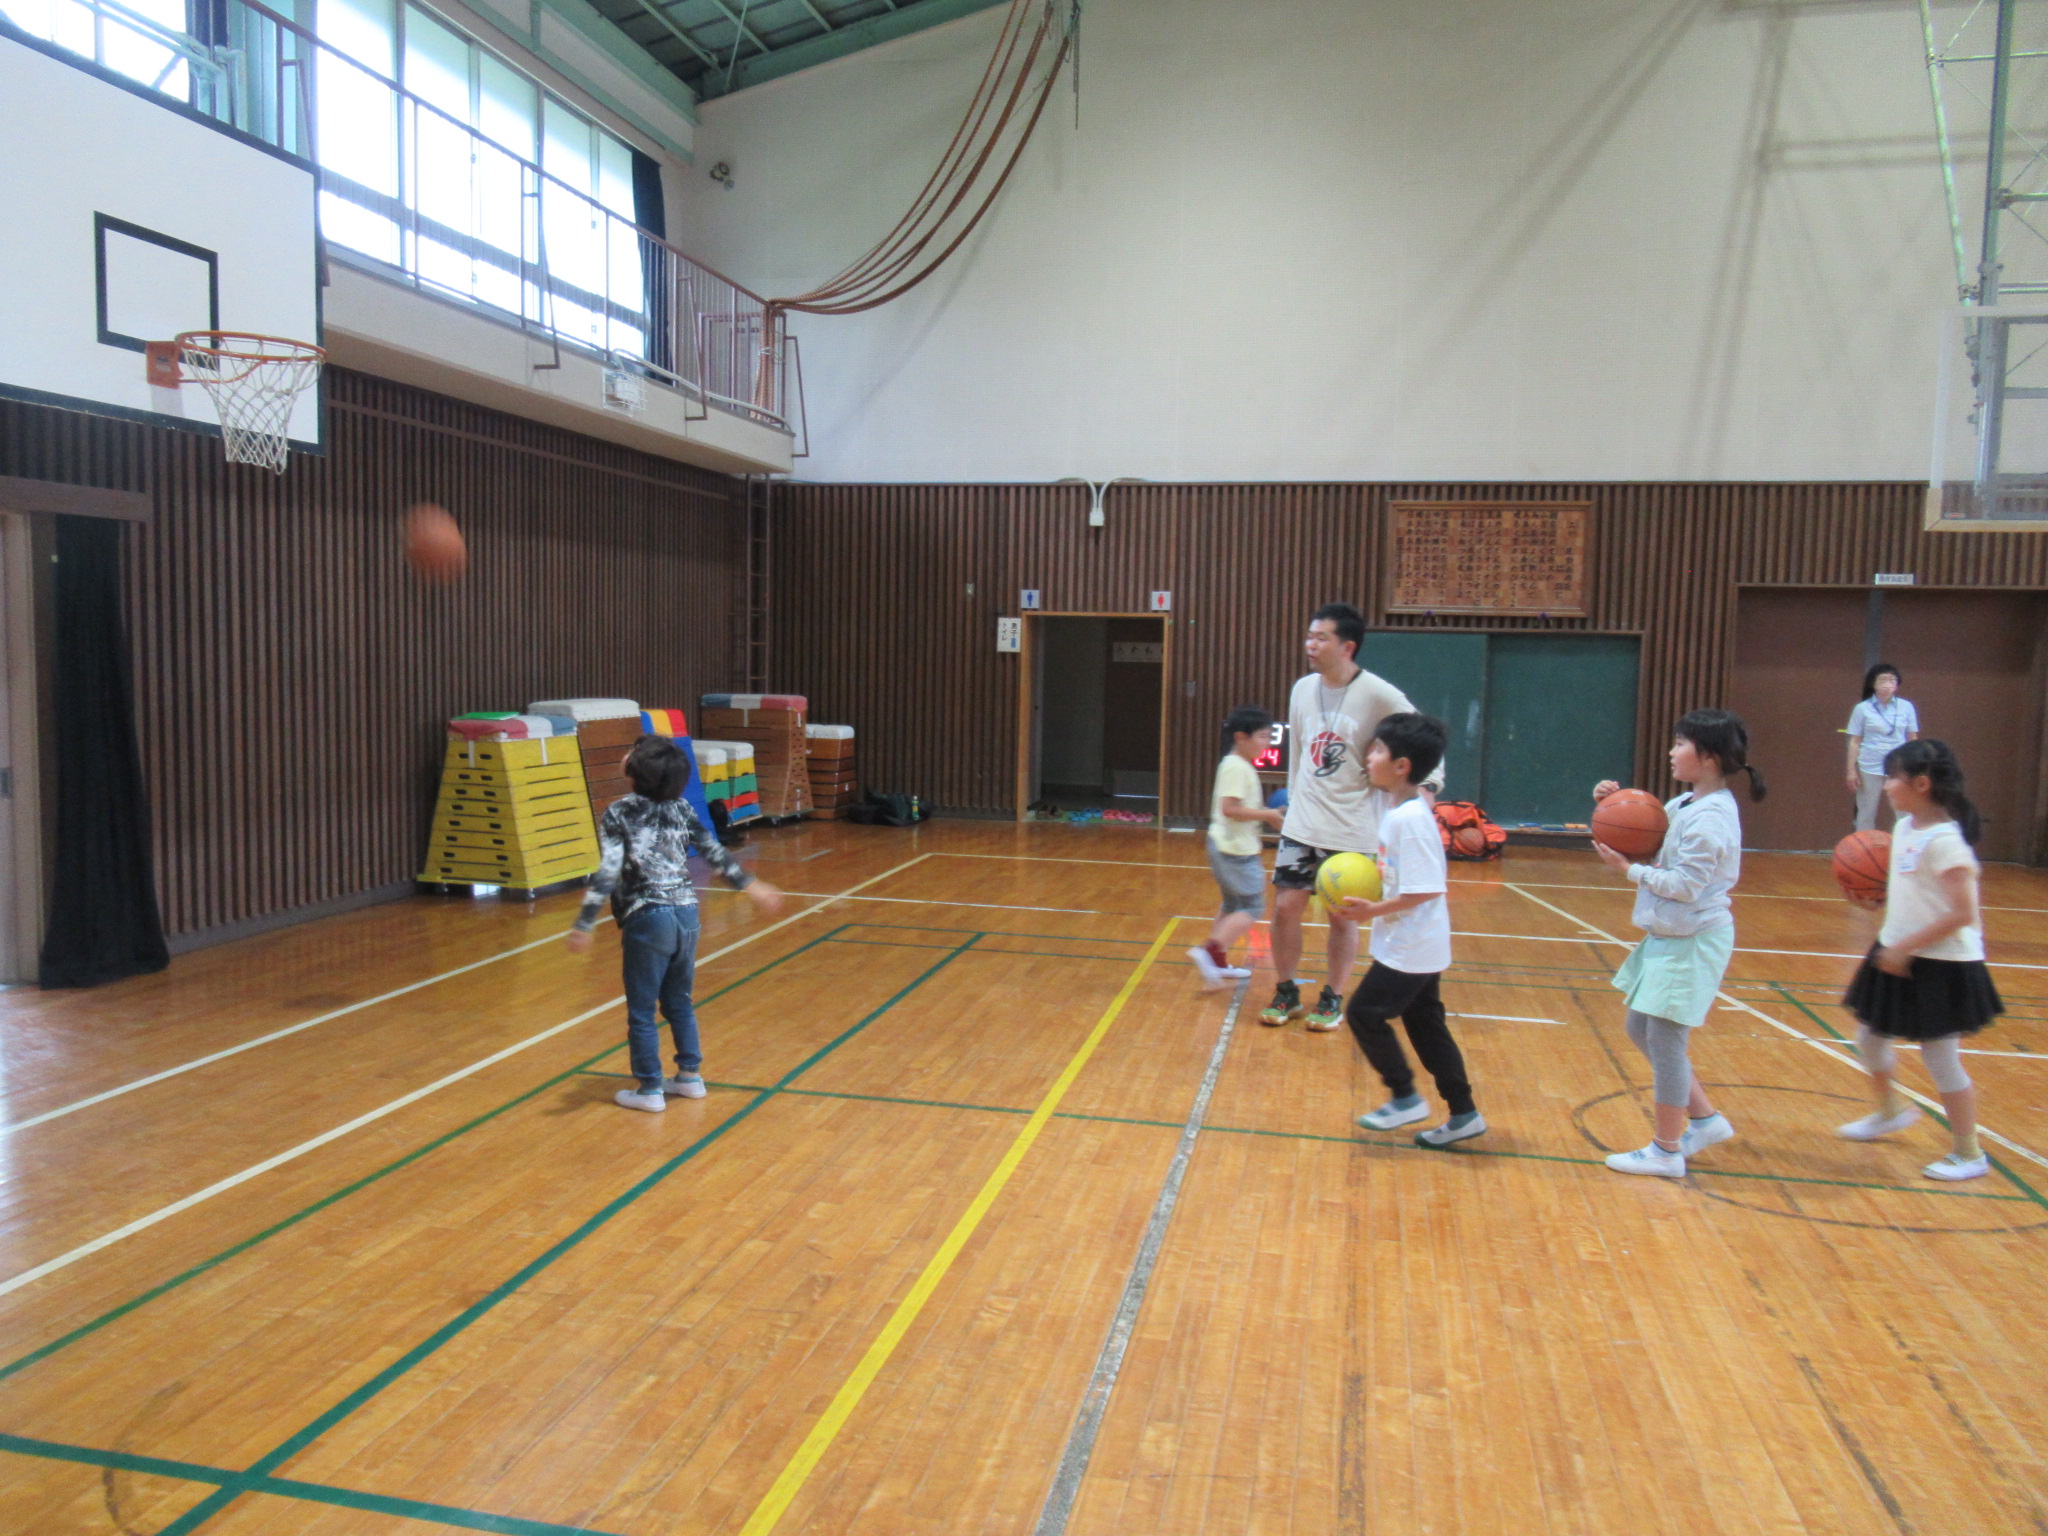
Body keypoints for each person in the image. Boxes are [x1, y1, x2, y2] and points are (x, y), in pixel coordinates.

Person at [567, 736, 784, 1112]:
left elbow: (608, 870)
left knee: (641, 1009)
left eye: (631, 752)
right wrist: (751, 885)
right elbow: (715, 852)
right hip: (686, 914)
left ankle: (650, 1088)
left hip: (648, 918)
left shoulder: (618, 812)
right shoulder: (682, 807)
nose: (625, 754)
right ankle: (689, 1077)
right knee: (679, 1001)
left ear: (636, 769)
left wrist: (585, 923)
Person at [1591, 709, 1765, 1178]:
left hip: (1693, 940)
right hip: (1670, 936)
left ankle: (1666, 1151)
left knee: (1666, 1041)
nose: (1671, 751)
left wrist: (1628, 871)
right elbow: (1648, 832)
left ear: (1708, 756)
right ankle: (1704, 1121)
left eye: (1680, 744)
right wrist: (1614, 802)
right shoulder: (1687, 804)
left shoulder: (1712, 819)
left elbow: (1686, 885)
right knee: (1638, 1028)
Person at [1264, 602, 1442, 1032]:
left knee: (1342, 916)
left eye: (1321, 637)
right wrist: (1292, 804)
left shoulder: (1380, 694)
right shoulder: (1302, 688)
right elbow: (1301, 751)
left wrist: (1428, 788)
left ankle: (1333, 996)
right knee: (1286, 907)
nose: (1310, 644)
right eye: (1309, 636)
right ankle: (1286, 990)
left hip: (1355, 828)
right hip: (1303, 822)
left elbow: (1424, 740)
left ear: (1347, 646)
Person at [1838, 739, 2003, 1180]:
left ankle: (1969, 1153)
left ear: (1922, 783)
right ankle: (1890, 1109)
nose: (1887, 786)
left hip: (1941, 963)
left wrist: (1904, 949)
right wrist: (1880, 901)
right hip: (1899, 946)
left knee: (1940, 1058)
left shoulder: (1947, 842)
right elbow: (1914, 887)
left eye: (1893, 777)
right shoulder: (1908, 826)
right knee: (1869, 1038)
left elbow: (1963, 913)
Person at [1337, 713, 1483, 1146]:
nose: (1370, 754)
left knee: (1364, 1013)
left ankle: (1404, 1096)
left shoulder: (1409, 819)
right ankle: (1464, 1113)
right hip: (1417, 942)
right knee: (1426, 1026)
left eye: (1378, 749)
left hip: (1412, 944)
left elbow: (1425, 890)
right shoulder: (1401, 808)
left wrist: (1372, 909)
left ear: (1402, 765)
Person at [1191, 705, 1285, 989]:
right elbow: (1230, 808)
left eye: (1270, 738)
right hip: (1233, 850)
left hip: (1231, 846)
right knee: (1252, 906)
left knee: (1233, 905)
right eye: (1263, 737)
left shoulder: (1238, 765)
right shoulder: (1235, 767)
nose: (1266, 743)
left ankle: (1217, 961)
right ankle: (1210, 951)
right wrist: (1268, 815)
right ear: (1241, 737)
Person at [1845, 662, 1919, 833]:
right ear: (1873, 683)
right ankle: (1863, 853)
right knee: (1866, 812)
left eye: (1892, 680)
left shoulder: (1907, 707)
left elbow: (1912, 739)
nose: (1887, 684)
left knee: (1904, 812)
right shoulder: (1862, 709)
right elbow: (1855, 741)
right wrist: (1851, 770)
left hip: (1898, 767)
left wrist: (1914, 767)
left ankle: (1903, 852)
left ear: (1897, 684)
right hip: (1869, 766)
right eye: (1882, 680)